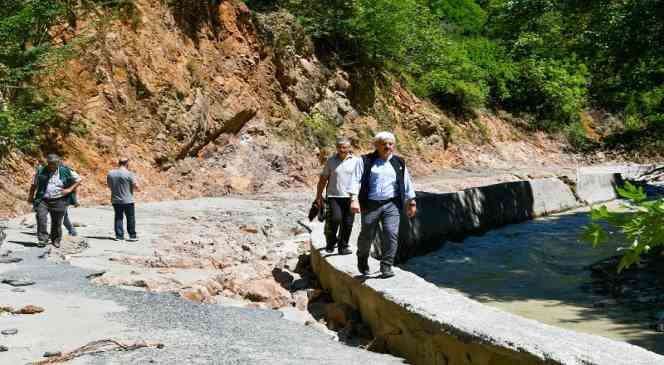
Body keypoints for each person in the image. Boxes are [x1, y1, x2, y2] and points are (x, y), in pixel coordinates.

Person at [351, 132, 417, 278]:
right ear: (376, 145)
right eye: (384, 144)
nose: (388, 146)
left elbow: (406, 183)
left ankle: (386, 266)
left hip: (391, 204)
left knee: (391, 233)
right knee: (367, 235)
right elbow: (355, 181)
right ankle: (362, 259)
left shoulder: (399, 162)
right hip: (370, 204)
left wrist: (411, 201)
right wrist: (354, 199)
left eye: (390, 144)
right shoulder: (365, 160)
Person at [315, 137, 359, 255]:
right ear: (337, 148)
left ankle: (343, 246)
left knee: (348, 223)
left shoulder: (356, 161)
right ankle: (331, 241)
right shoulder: (331, 161)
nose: (342, 149)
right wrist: (319, 195)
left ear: (349, 148)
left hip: (351, 197)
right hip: (334, 196)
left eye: (344, 147)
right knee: (335, 219)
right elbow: (323, 179)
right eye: (339, 147)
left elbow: (360, 180)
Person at [28, 154, 83, 248]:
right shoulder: (41, 171)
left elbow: (78, 180)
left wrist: (69, 189)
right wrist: (30, 196)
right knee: (41, 218)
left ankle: (56, 240)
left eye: (54, 164)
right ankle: (43, 239)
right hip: (43, 199)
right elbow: (34, 184)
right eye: (50, 164)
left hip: (59, 200)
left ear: (58, 163)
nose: (52, 166)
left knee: (57, 222)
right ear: (48, 163)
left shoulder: (65, 170)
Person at [106, 157, 139, 241]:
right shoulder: (129, 174)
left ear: (119, 163)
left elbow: (109, 186)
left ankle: (119, 236)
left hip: (115, 199)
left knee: (118, 217)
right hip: (128, 200)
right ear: (127, 163)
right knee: (130, 218)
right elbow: (136, 186)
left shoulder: (110, 173)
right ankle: (132, 236)